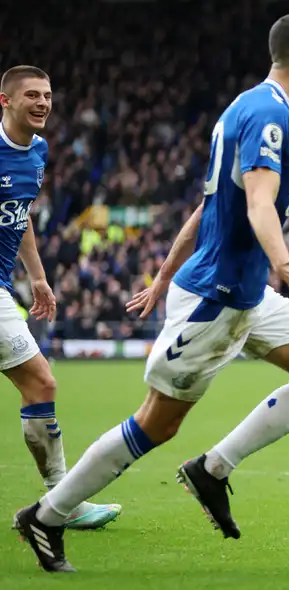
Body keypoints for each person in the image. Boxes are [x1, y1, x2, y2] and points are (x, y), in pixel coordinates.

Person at [15, 13, 289, 573]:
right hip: (218, 296)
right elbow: (258, 203)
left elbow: (208, 204)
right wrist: (282, 262)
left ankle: (212, 469)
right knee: (157, 423)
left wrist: (164, 276)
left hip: (244, 293)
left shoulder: (244, 106)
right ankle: (46, 516)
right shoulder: (270, 117)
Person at [1, 65, 123, 532]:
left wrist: (38, 278)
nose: (42, 103)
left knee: (40, 385)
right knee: (42, 384)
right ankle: (61, 502)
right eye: (31, 95)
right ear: (5, 101)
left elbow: (21, 213)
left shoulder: (37, 151)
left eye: (47, 95)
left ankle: (60, 500)